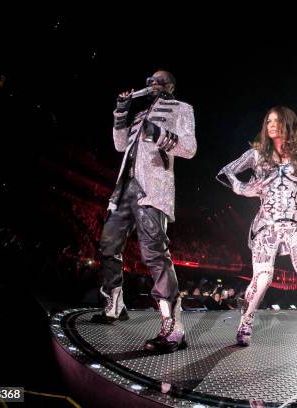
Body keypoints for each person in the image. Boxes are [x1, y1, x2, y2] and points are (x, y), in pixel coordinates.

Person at [216, 106, 297, 355]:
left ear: (288, 125)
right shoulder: (255, 155)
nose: (271, 124)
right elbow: (225, 172)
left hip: (295, 222)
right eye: (268, 121)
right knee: (262, 277)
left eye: (277, 120)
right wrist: (243, 188)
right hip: (266, 224)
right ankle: (246, 323)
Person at [90, 70, 196, 354]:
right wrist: (121, 112)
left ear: (171, 85)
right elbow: (120, 145)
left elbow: (189, 148)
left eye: (159, 79)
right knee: (107, 246)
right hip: (124, 189)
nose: (152, 83)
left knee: (154, 253)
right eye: (150, 79)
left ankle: (174, 328)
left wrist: (158, 133)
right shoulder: (139, 115)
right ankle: (114, 306)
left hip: (153, 190)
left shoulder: (182, 109)